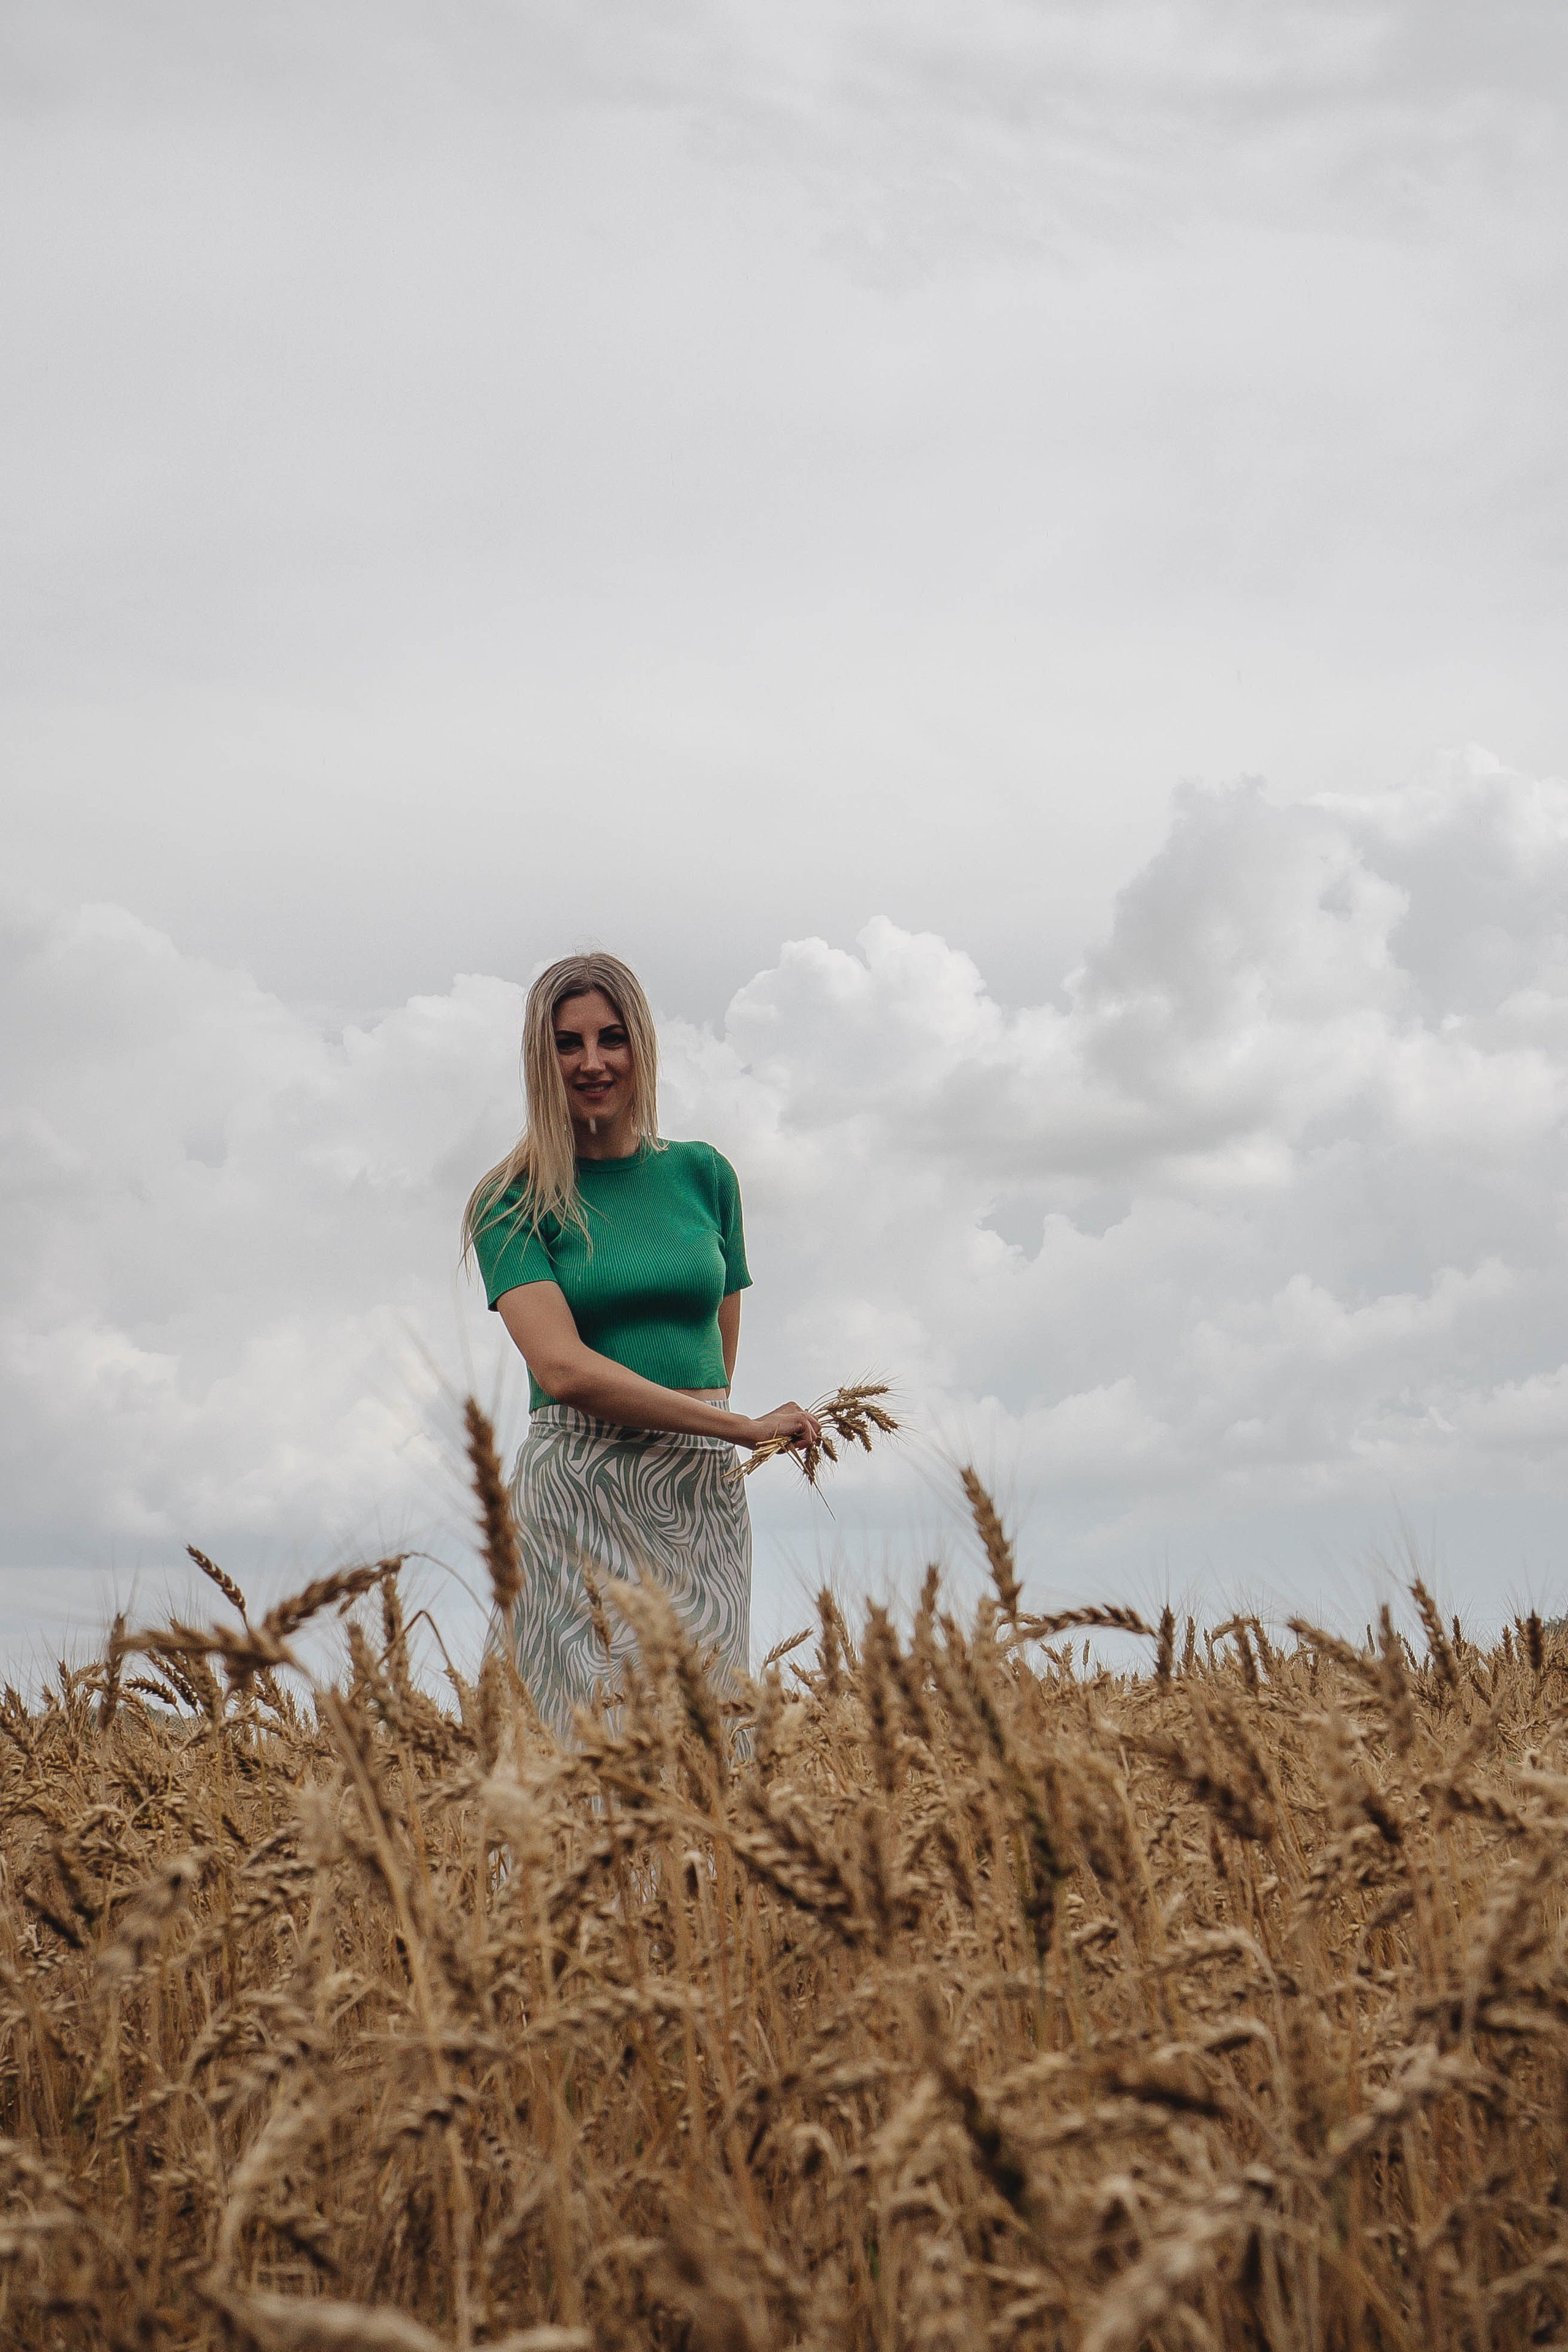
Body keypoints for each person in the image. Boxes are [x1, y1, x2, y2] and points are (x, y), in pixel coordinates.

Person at [462, 951, 821, 1734]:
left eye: (611, 1038)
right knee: (579, 1741)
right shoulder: (509, 1199)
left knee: (709, 1739)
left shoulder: (706, 1176)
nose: (592, 1063)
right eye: (566, 1044)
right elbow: (561, 1368)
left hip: (699, 1497)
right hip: (578, 1495)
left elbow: (714, 1360)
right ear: (540, 1059)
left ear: (642, 1048)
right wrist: (742, 1429)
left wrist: (714, 1436)